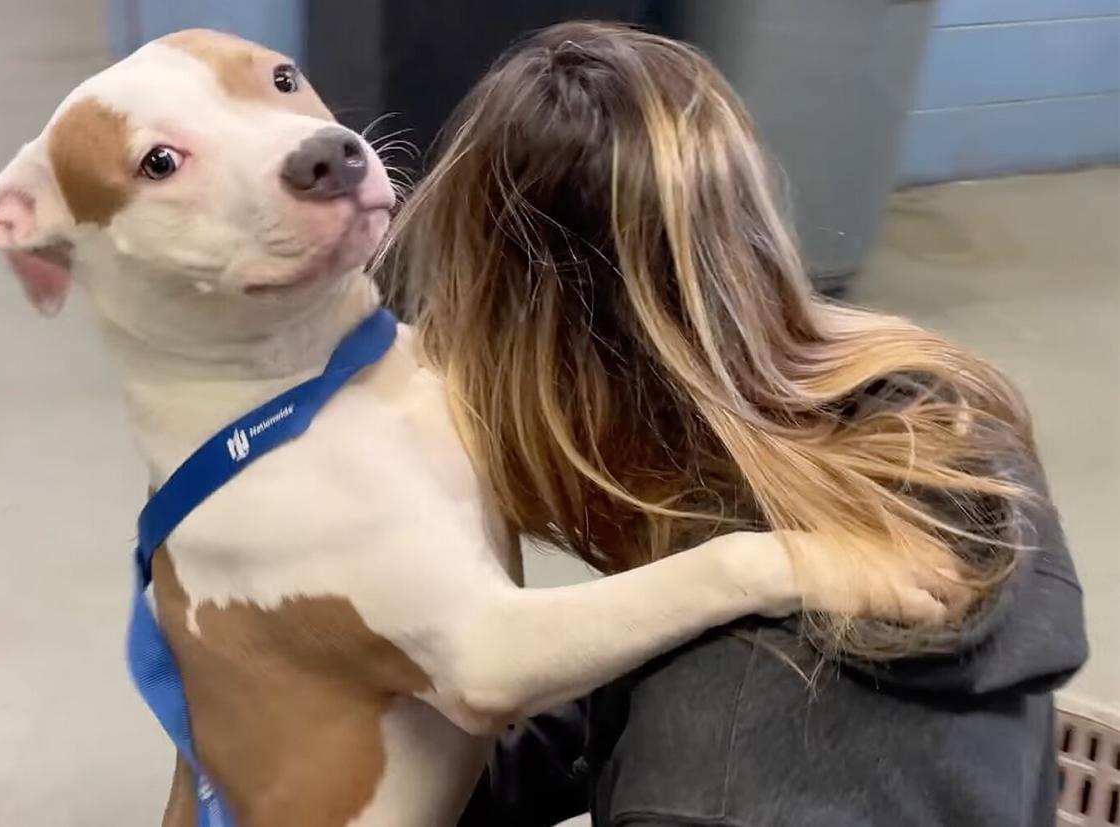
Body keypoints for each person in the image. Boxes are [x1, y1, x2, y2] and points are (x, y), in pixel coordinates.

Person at [380, 21, 1088, 827]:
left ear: (520, 355)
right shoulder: (934, 420)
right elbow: (641, 683)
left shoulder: (704, 783)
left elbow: (711, 710)